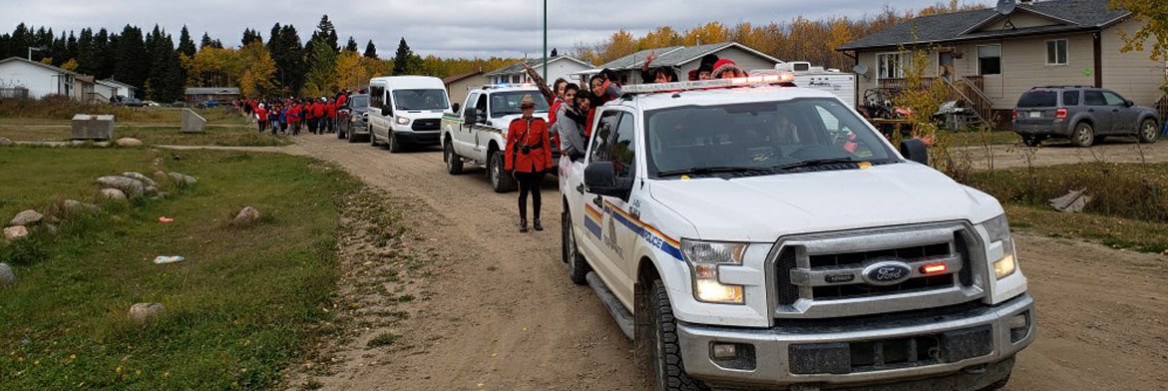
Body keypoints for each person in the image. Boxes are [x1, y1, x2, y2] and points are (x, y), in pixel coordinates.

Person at [505, 95, 553, 233]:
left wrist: (548, 163)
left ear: (533, 108)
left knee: (536, 192)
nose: (528, 110)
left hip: (537, 162)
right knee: (523, 193)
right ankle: (523, 221)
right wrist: (509, 165)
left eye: (530, 107)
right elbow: (509, 146)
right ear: (522, 109)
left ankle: (537, 219)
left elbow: (546, 144)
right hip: (522, 162)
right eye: (525, 108)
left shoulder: (540, 123)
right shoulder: (515, 124)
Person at [555, 84, 587, 161]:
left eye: (574, 95)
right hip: (574, 153)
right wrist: (585, 152)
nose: (571, 97)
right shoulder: (564, 112)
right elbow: (572, 135)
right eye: (568, 95)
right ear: (564, 96)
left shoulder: (576, 109)